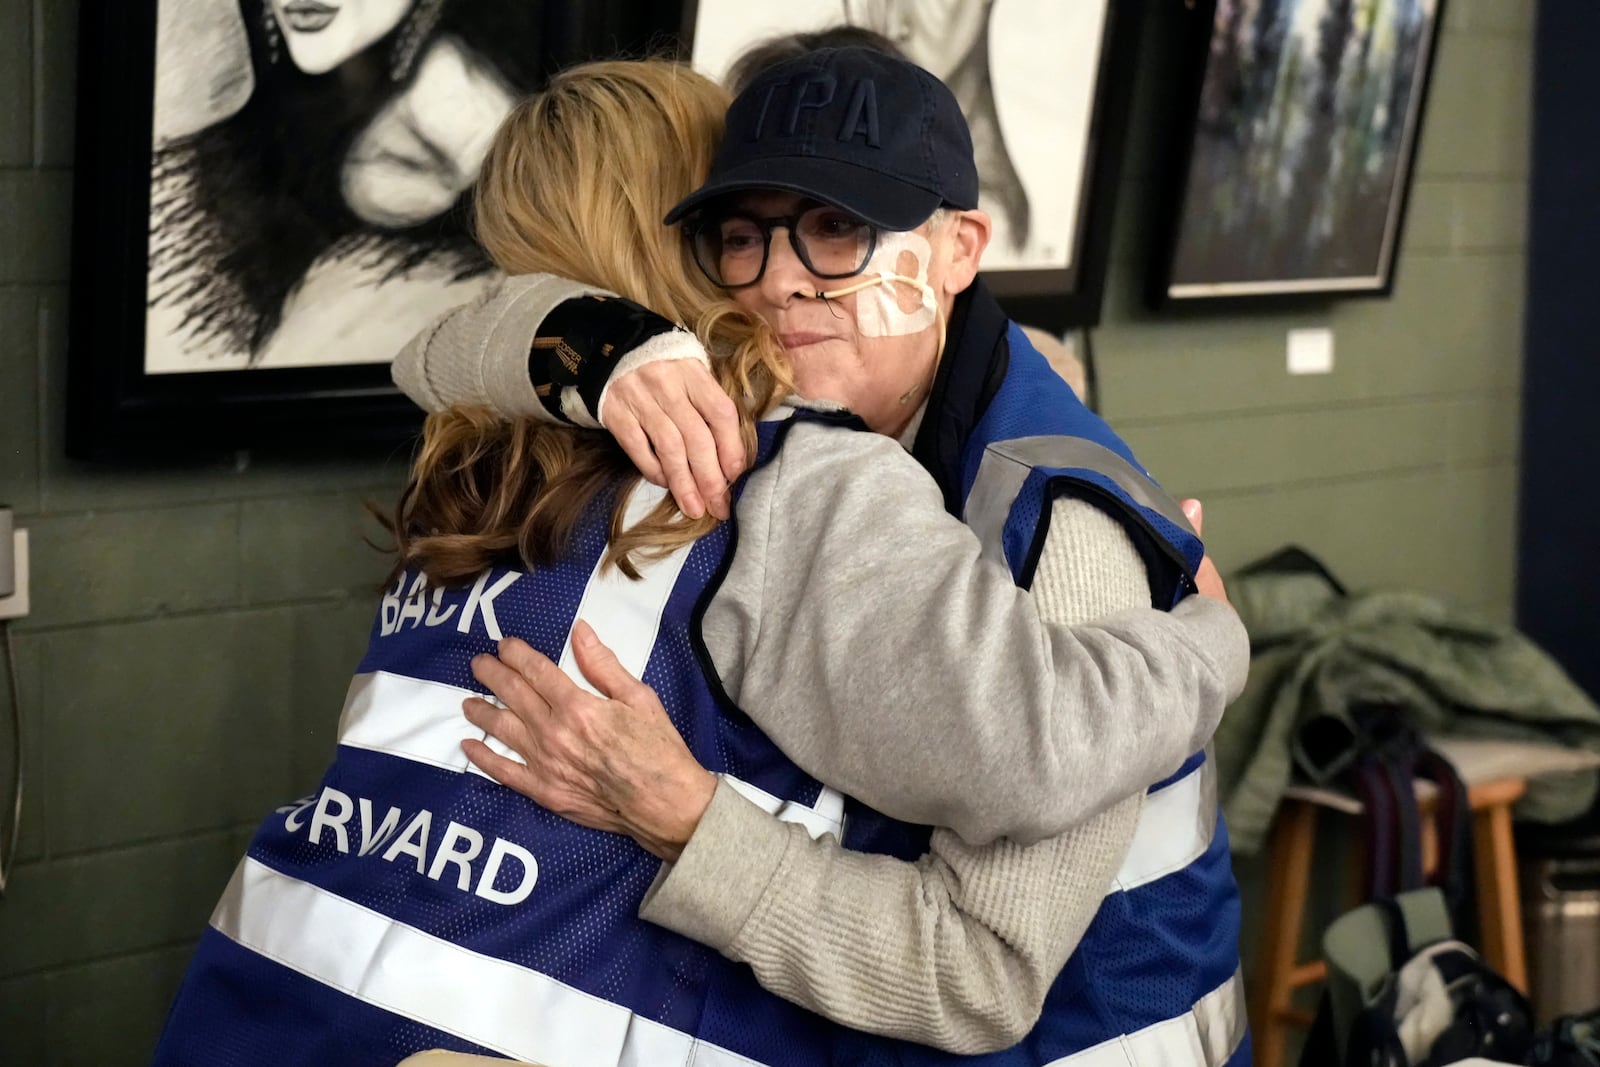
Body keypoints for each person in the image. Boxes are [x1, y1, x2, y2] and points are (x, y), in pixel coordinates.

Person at [150, 59, 1247, 1065]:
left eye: (835, 229)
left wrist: (1204, 632)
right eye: (740, 233)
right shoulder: (627, 414)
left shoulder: (1033, 514)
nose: (777, 281)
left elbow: (975, 971)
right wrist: (587, 342)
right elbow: (431, 347)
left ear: (961, 249)